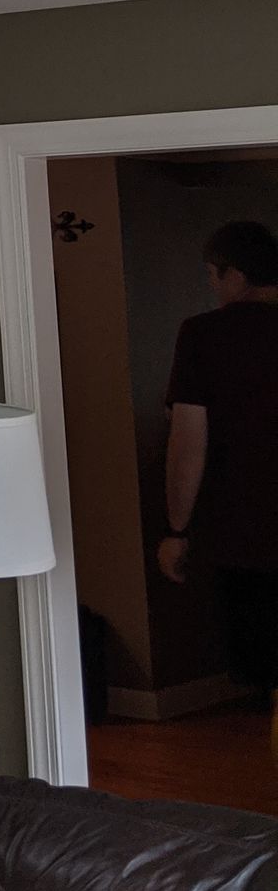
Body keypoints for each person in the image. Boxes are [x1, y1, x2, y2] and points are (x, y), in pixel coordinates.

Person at [160, 219, 278, 731]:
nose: (212, 285)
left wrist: (176, 529)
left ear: (236, 274)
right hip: (250, 534)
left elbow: (188, 444)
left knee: (266, 669)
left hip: (248, 534)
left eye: (213, 274)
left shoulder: (204, 334)